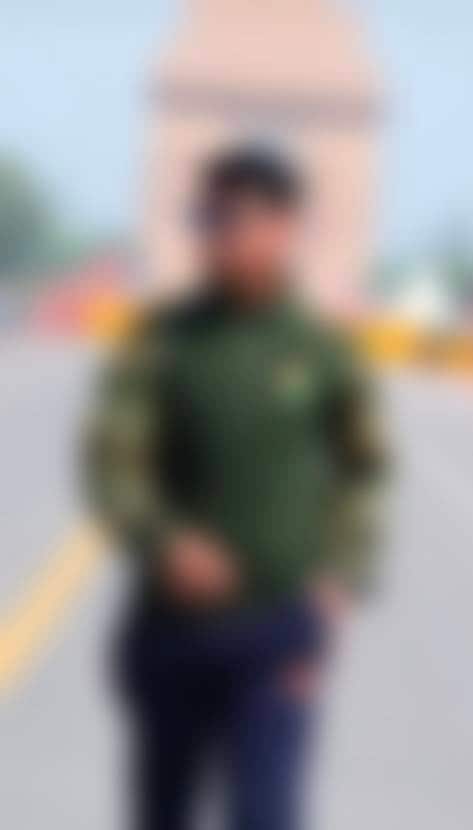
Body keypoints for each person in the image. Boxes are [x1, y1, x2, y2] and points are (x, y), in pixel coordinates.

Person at [85, 145, 385, 830]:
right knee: (161, 813)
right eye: (206, 217)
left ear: (285, 226)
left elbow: (365, 469)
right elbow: (112, 463)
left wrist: (343, 572)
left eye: (234, 218)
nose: (216, 235)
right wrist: (163, 541)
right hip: (172, 628)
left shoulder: (322, 348)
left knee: (266, 814)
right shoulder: (165, 342)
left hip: (277, 631)